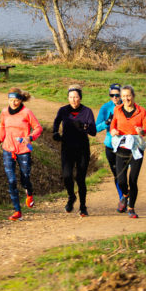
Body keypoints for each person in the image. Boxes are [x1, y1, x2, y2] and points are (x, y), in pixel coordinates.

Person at [0, 88, 43, 221]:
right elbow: (3, 127)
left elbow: (38, 128)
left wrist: (30, 138)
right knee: (11, 181)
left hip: (23, 150)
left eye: (16, 100)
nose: (13, 102)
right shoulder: (4, 112)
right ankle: (17, 211)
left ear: (21, 100)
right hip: (8, 149)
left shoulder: (27, 112)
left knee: (25, 178)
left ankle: (29, 193)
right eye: (10, 100)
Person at [52, 84, 97, 217]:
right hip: (67, 147)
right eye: (71, 97)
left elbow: (93, 132)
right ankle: (71, 197)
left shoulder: (87, 111)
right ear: (68, 98)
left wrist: (84, 127)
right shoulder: (63, 110)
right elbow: (56, 122)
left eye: (76, 97)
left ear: (80, 98)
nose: (73, 99)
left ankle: (83, 206)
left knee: (80, 178)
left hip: (82, 149)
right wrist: (55, 132)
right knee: (66, 176)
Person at [110, 84, 146, 219]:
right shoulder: (117, 110)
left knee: (133, 180)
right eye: (123, 96)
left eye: (128, 96)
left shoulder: (141, 111)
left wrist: (142, 131)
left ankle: (131, 208)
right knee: (121, 180)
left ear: (133, 96)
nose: (126, 98)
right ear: (120, 98)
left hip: (136, 150)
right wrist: (114, 131)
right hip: (122, 149)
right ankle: (125, 196)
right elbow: (112, 127)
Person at [95, 83, 124, 202]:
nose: (115, 97)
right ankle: (122, 198)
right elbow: (95, 128)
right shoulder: (106, 107)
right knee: (117, 174)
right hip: (110, 145)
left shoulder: (127, 106)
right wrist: (106, 122)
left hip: (125, 146)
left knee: (124, 174)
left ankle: (126, 197)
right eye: (112, 95)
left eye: (117, 95)